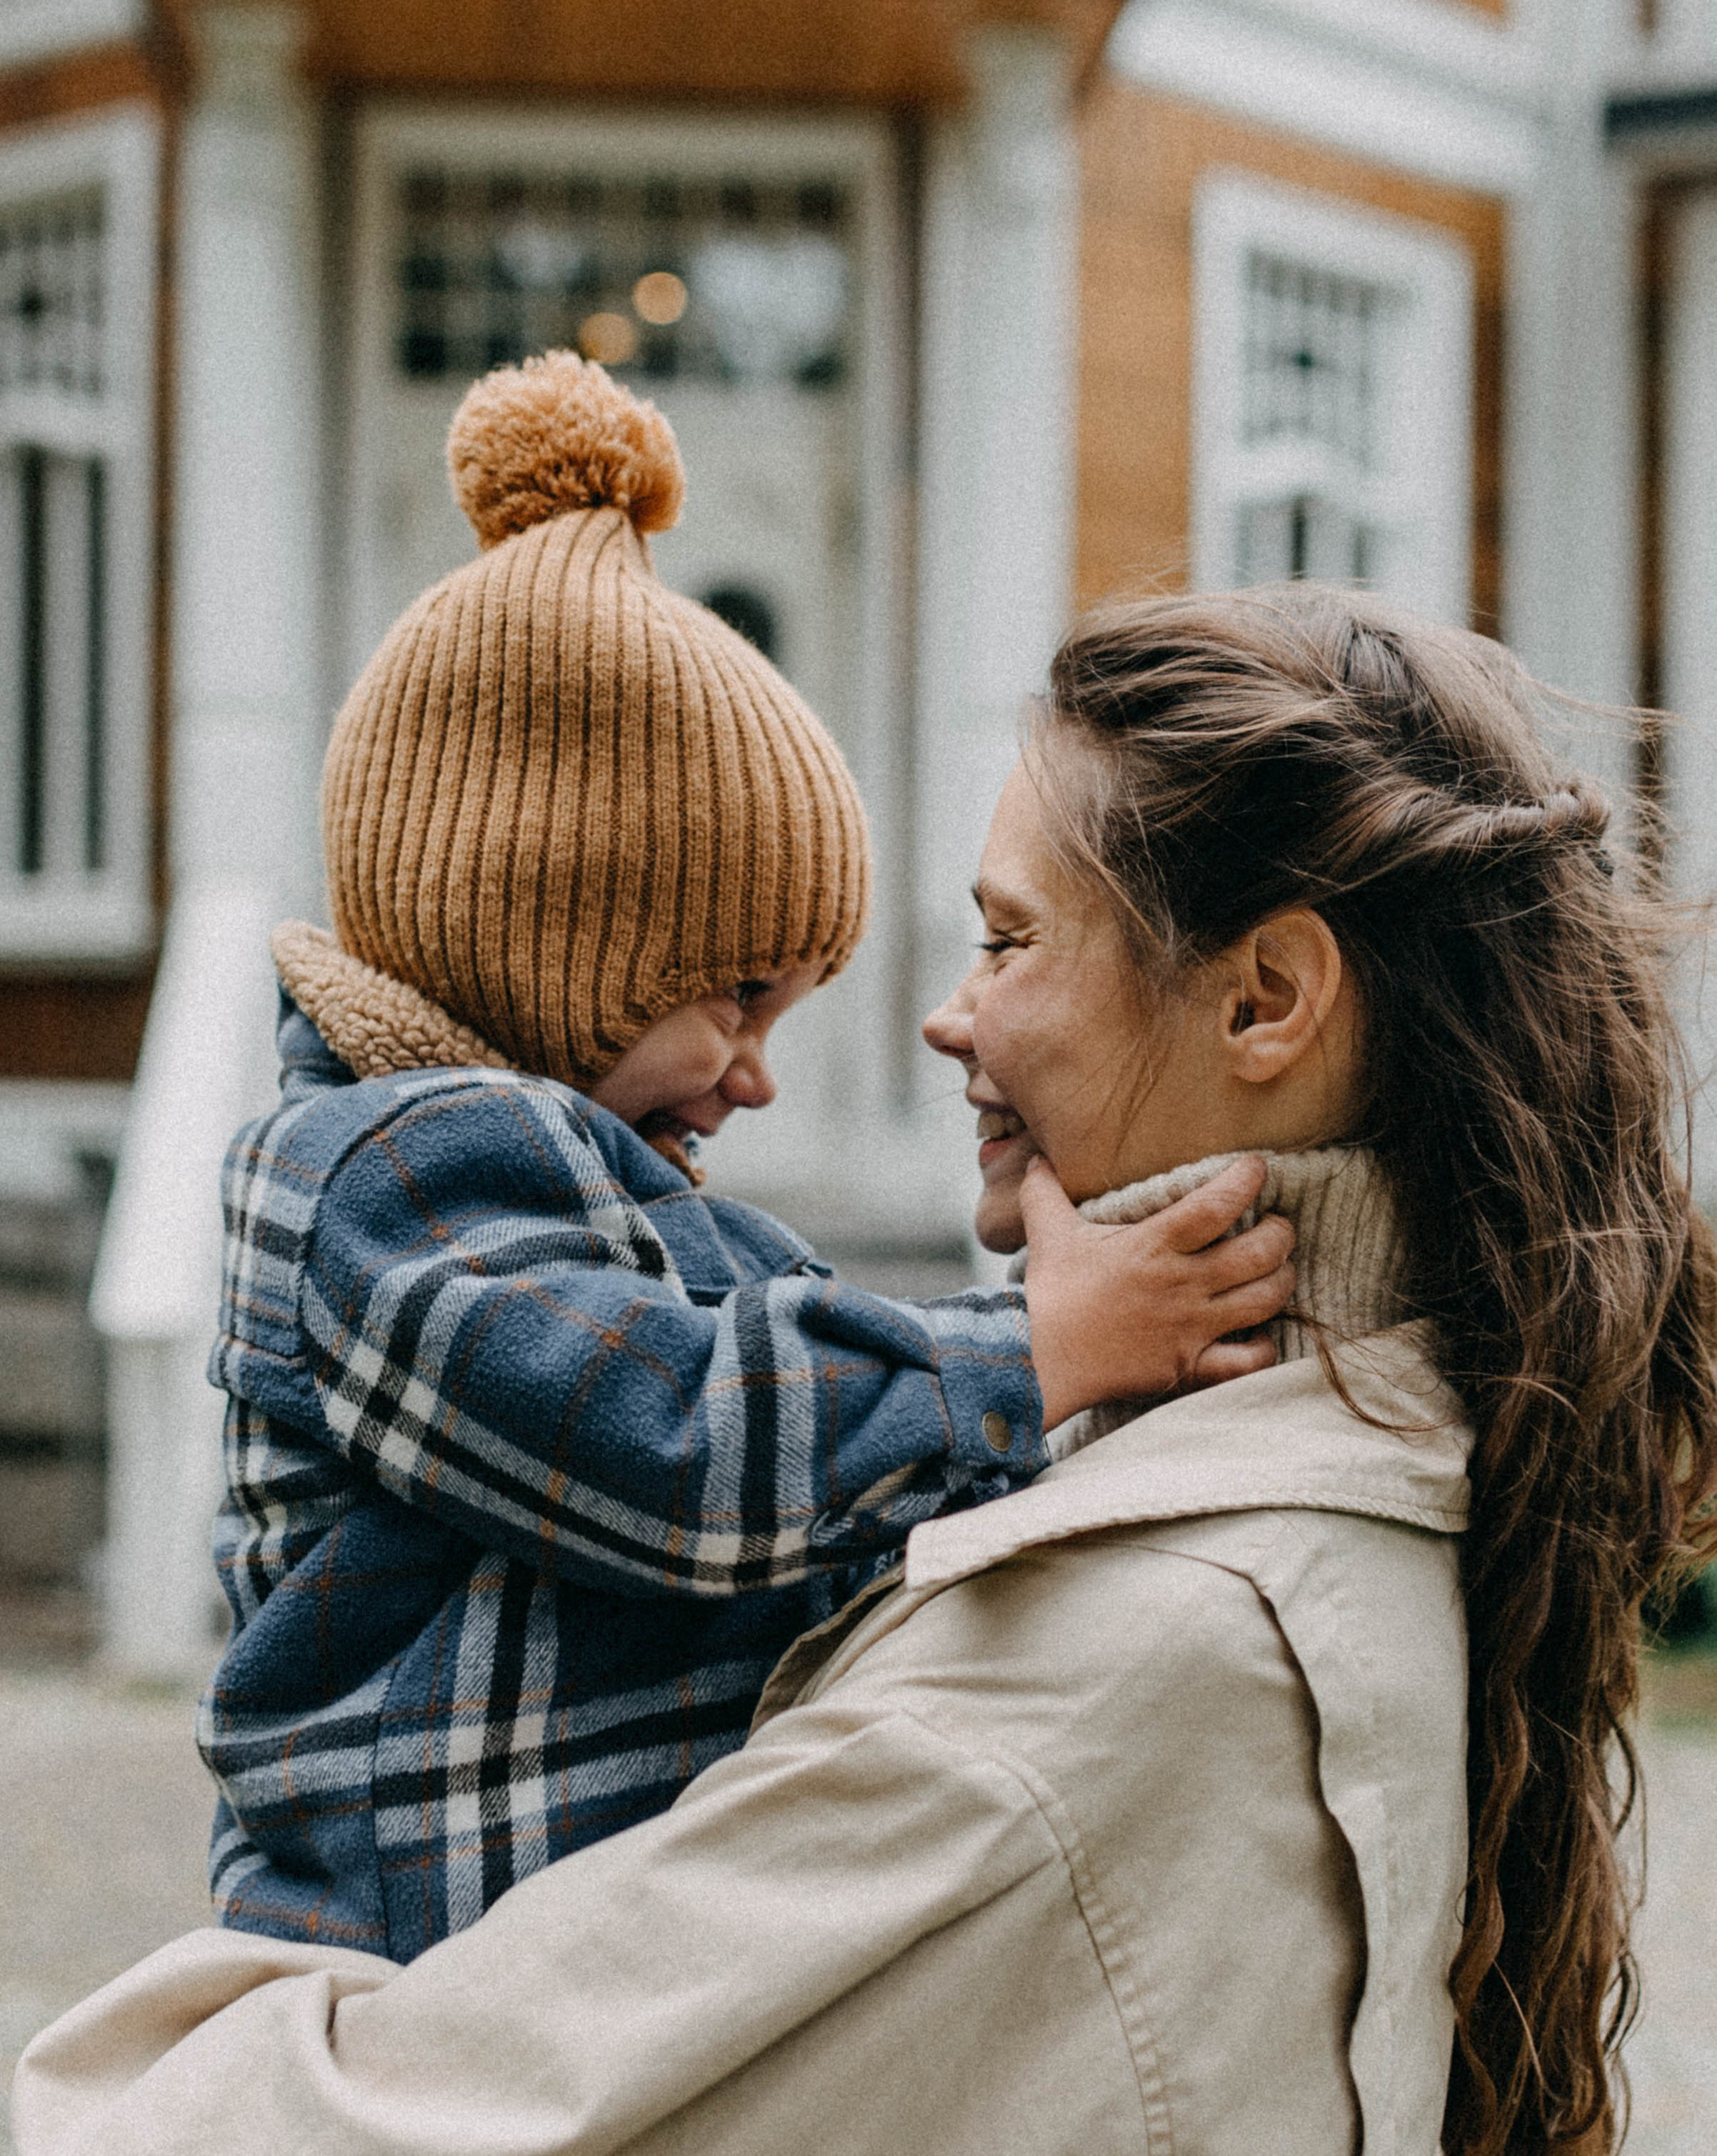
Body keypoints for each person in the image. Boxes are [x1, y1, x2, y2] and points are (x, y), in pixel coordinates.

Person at [19, 588, 1716, 2156]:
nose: (940, 1020)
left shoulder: (1124, 1651)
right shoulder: (1297, 1489)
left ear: (1262, 997)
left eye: (1004, 940)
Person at [191, 350, 1291, 1964]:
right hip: (402, 1956)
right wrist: (1042, 1349)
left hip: (551, 1945)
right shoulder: (381, 1184)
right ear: (556, 937)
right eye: (734, 997)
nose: (760, 1078)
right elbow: (675, 1450)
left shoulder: (565, 1184)